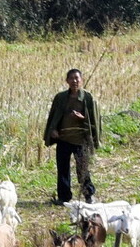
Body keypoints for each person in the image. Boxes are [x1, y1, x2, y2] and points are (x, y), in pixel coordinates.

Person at [43, 69, 101, 204]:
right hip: (63, 139)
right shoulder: (61, 98)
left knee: (82, 169)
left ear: (81, 80)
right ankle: (64, 198)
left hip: (80, 141)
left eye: (77, 78)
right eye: (71, 78)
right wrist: (53, 130)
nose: (74, 81)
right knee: (63, 169)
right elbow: (53, 117)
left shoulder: (88, 98)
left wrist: (83, 118)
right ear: (67, 81)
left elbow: (95, 121)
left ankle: (89, 195)